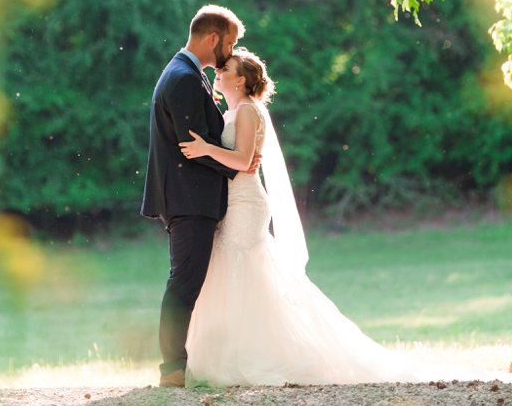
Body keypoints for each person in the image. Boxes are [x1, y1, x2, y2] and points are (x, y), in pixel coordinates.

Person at [179, 48, 475, 386]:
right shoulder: (233, 112)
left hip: (246, 204)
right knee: (231, 272)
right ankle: (222, 358)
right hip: (234, 202)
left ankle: (252, 358)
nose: (218, 73)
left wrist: (205, 149)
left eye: (225, 69)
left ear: (241, 79)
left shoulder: (247, 111)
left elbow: (245, 160)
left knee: (243, 270)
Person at [140, 5, 255, 388]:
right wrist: (240, 165)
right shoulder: (185, 78)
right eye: (230, 43)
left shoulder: (186, 74)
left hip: (189, 198)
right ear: (212, 39)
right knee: (184, 283)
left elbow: (202, 142)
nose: (231, 51)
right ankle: (172, 368)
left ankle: (179, 365)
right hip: (189, 200)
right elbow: (194, 145)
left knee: (187, 282)